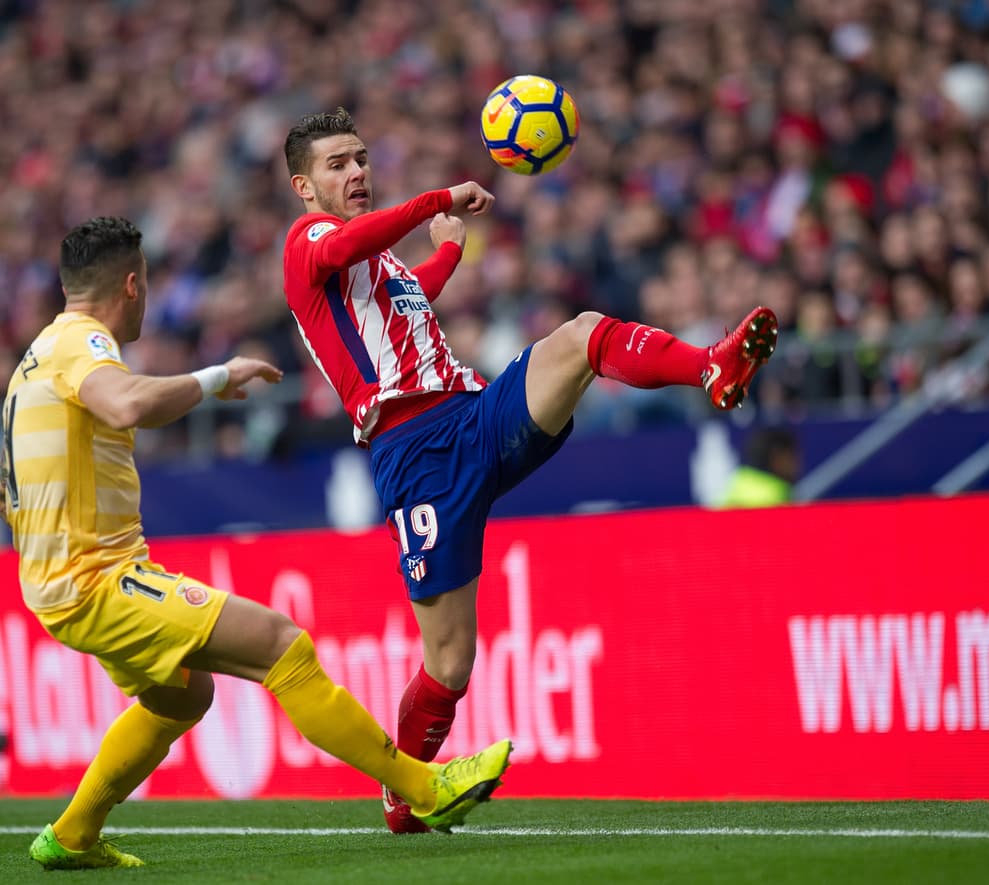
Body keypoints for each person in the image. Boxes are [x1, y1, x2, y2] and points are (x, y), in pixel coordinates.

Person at [281, 109, 778, 833]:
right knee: (450, 661)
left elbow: (404, 304)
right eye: (337, 165)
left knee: (579, 336)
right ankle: (405, 791)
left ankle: (712, 365)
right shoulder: (309, 243)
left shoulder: (374, 264)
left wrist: (446, 256)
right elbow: (351, 244)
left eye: (360, 158)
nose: (356, 172)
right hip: (414, 457)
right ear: (304, 186)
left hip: (472, 415)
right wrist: (437, 203)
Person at [0, 216, 513, 870]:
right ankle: (424, 787)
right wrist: (216, 379)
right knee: (279, 644)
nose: (147, 298)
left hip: (65, 580)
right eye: (146, 285)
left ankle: (72, 833)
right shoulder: (83, 342)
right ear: (131, 284)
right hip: (94, 580)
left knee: (183, 694)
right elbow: (123, 404)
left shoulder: (32, 359)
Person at [720, 426, 801, 508]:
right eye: (791, 457)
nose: (796, 464)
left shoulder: (738, 480)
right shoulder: (780, 494)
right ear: (777, 457)